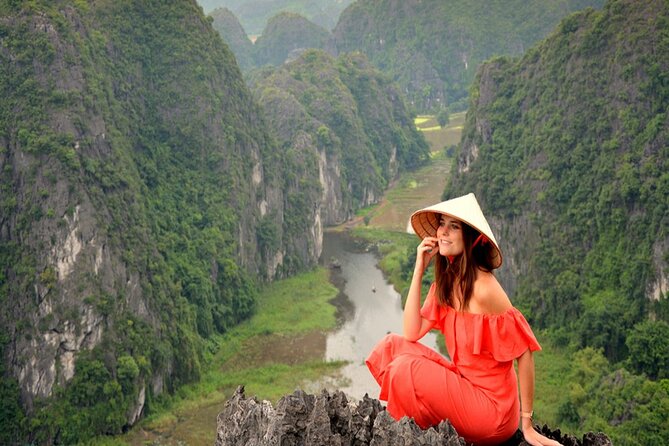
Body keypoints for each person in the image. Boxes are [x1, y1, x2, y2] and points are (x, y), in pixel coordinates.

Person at [366, 193, 561, 445]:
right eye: (441, 223)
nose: (443, 232)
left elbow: (524, 352)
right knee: (389, 347)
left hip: (493, 412)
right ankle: (426, 422)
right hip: (466, 386)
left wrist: (528, 425)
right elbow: (412, 333)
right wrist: (419, 269)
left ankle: (422, 425)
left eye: (454, 226)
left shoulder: (485, 289)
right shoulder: (447, 283)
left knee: (405, 370)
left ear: (471, 237)